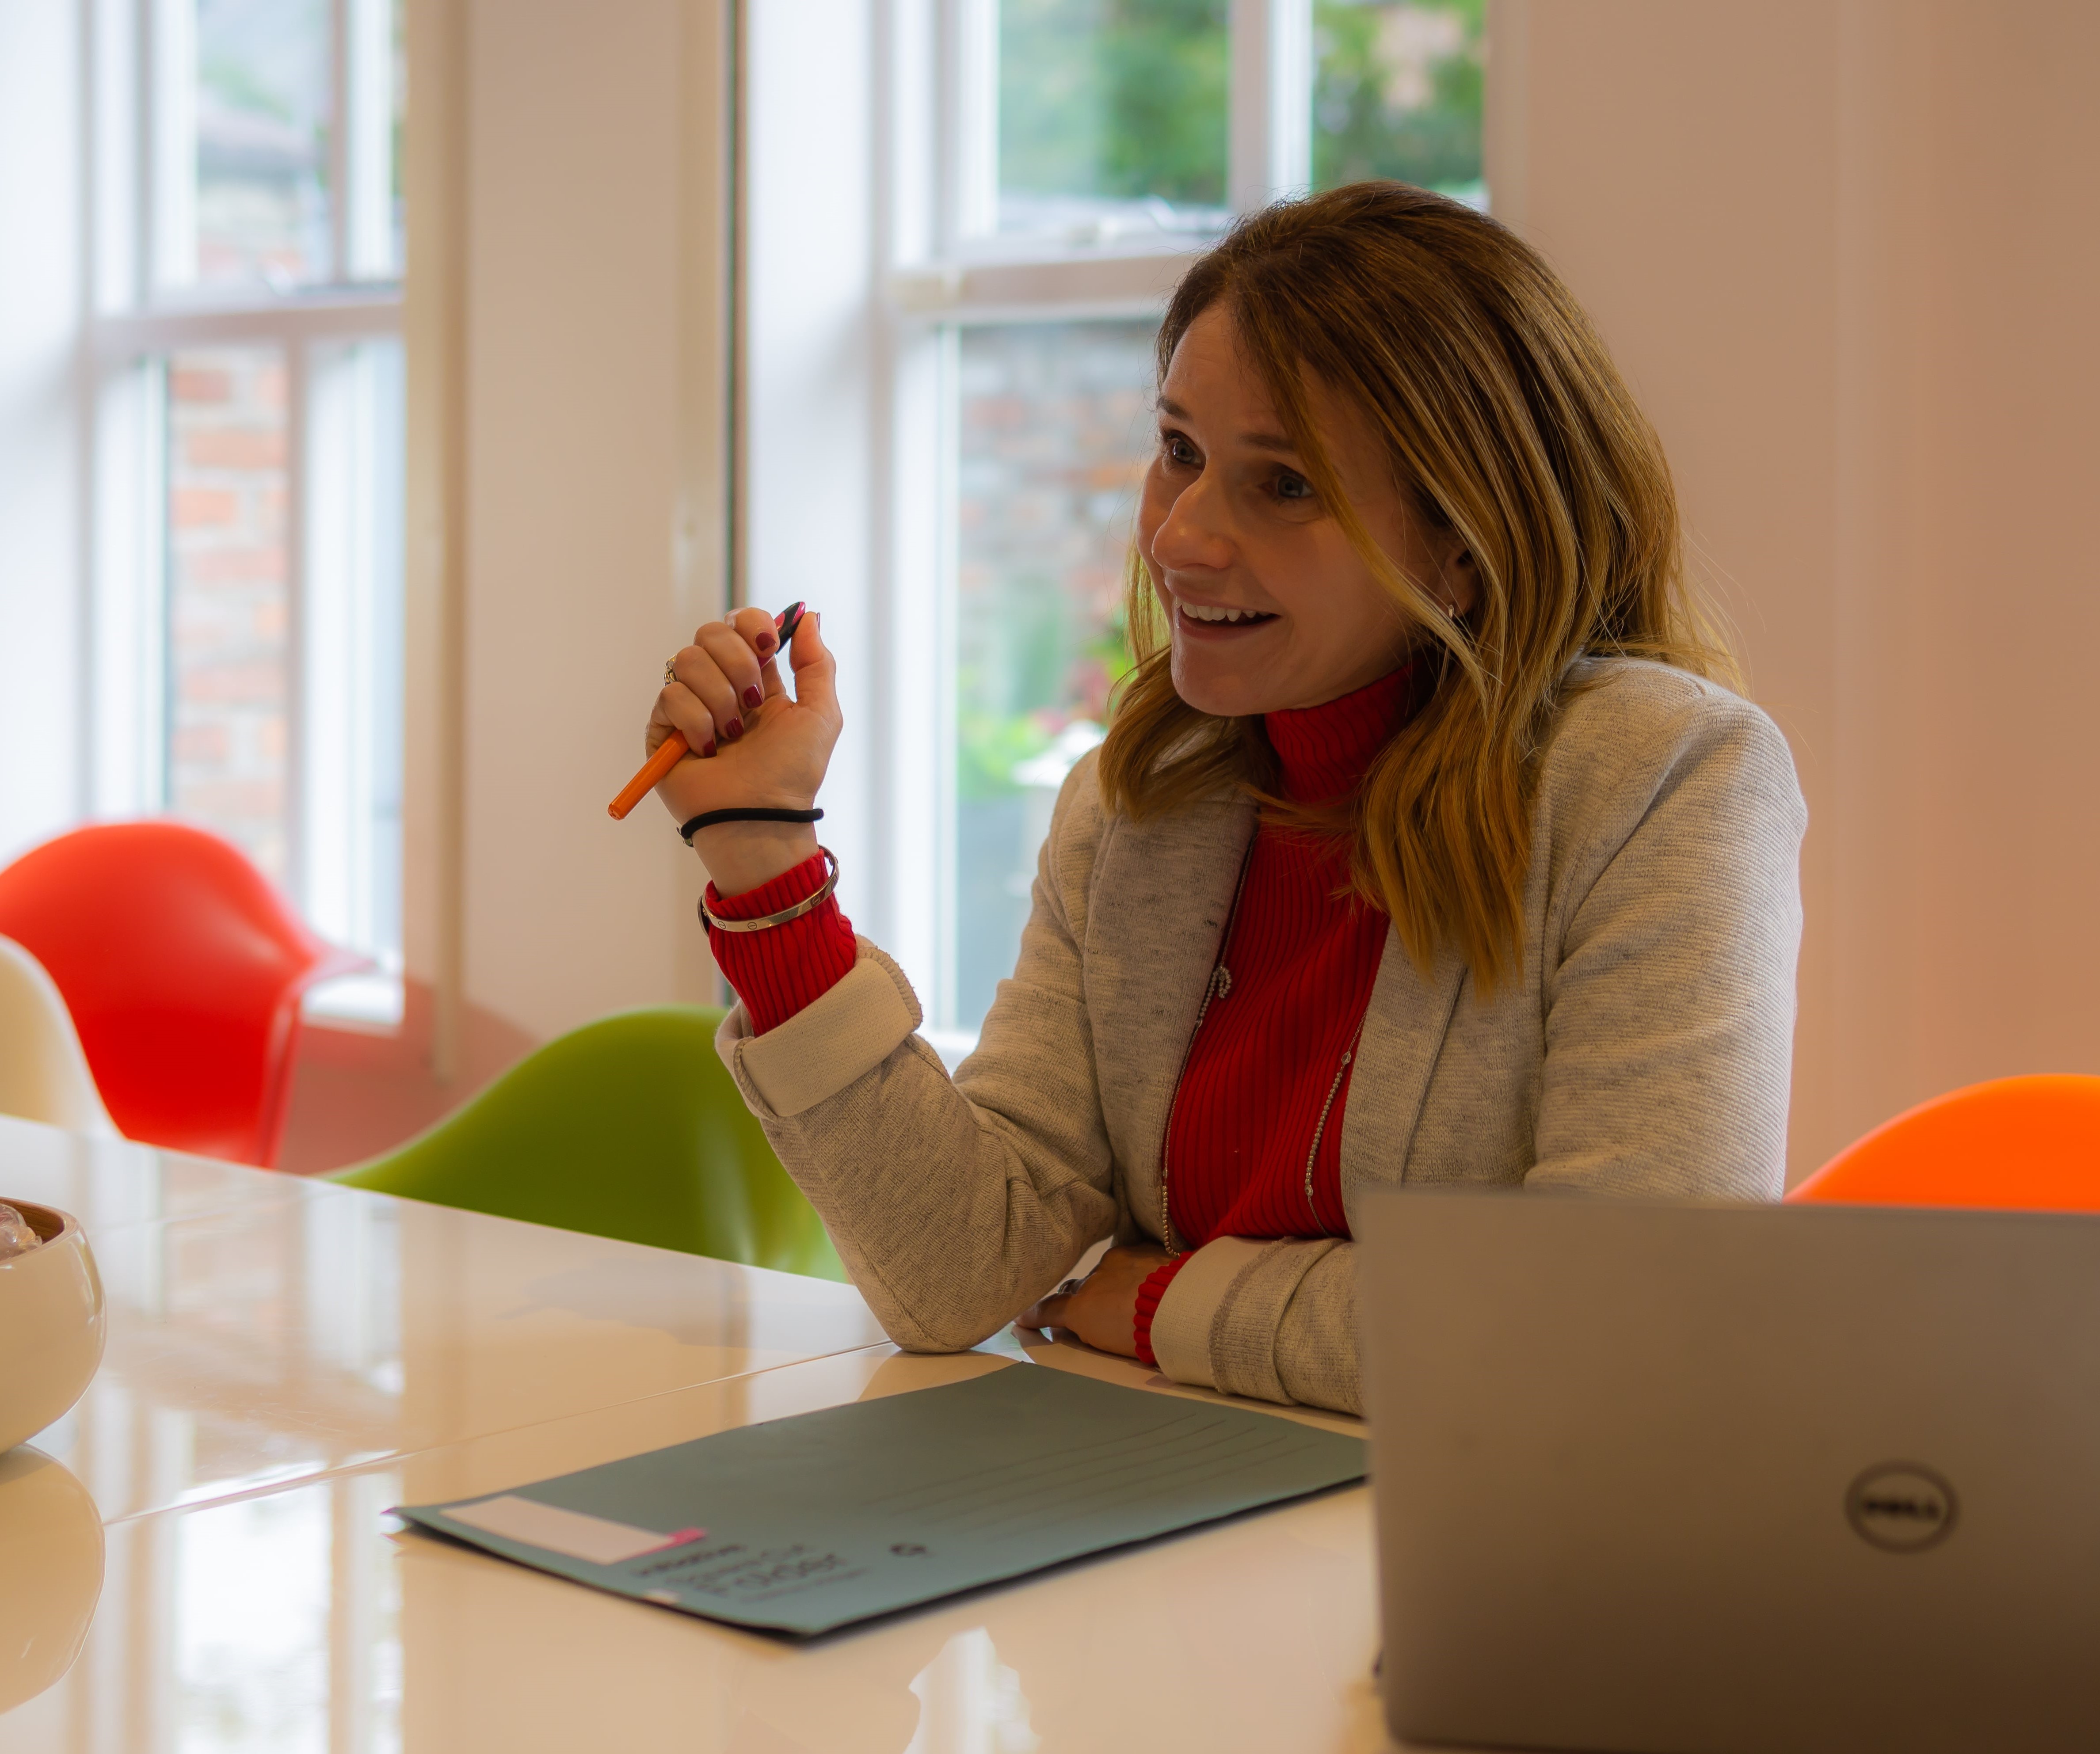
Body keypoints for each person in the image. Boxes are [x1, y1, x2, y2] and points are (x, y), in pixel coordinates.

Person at [643, 183, 1806, 1417]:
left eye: (1286, 484)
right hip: (1157, 1521)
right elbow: (957, 1267)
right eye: (1182, 451)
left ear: (1463, 542)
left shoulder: (1666, 781)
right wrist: (763, 861)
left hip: (1491, 1549)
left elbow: (1619, 1323)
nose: (1180, 536)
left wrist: (1160, 1302)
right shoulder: (1138, 804)